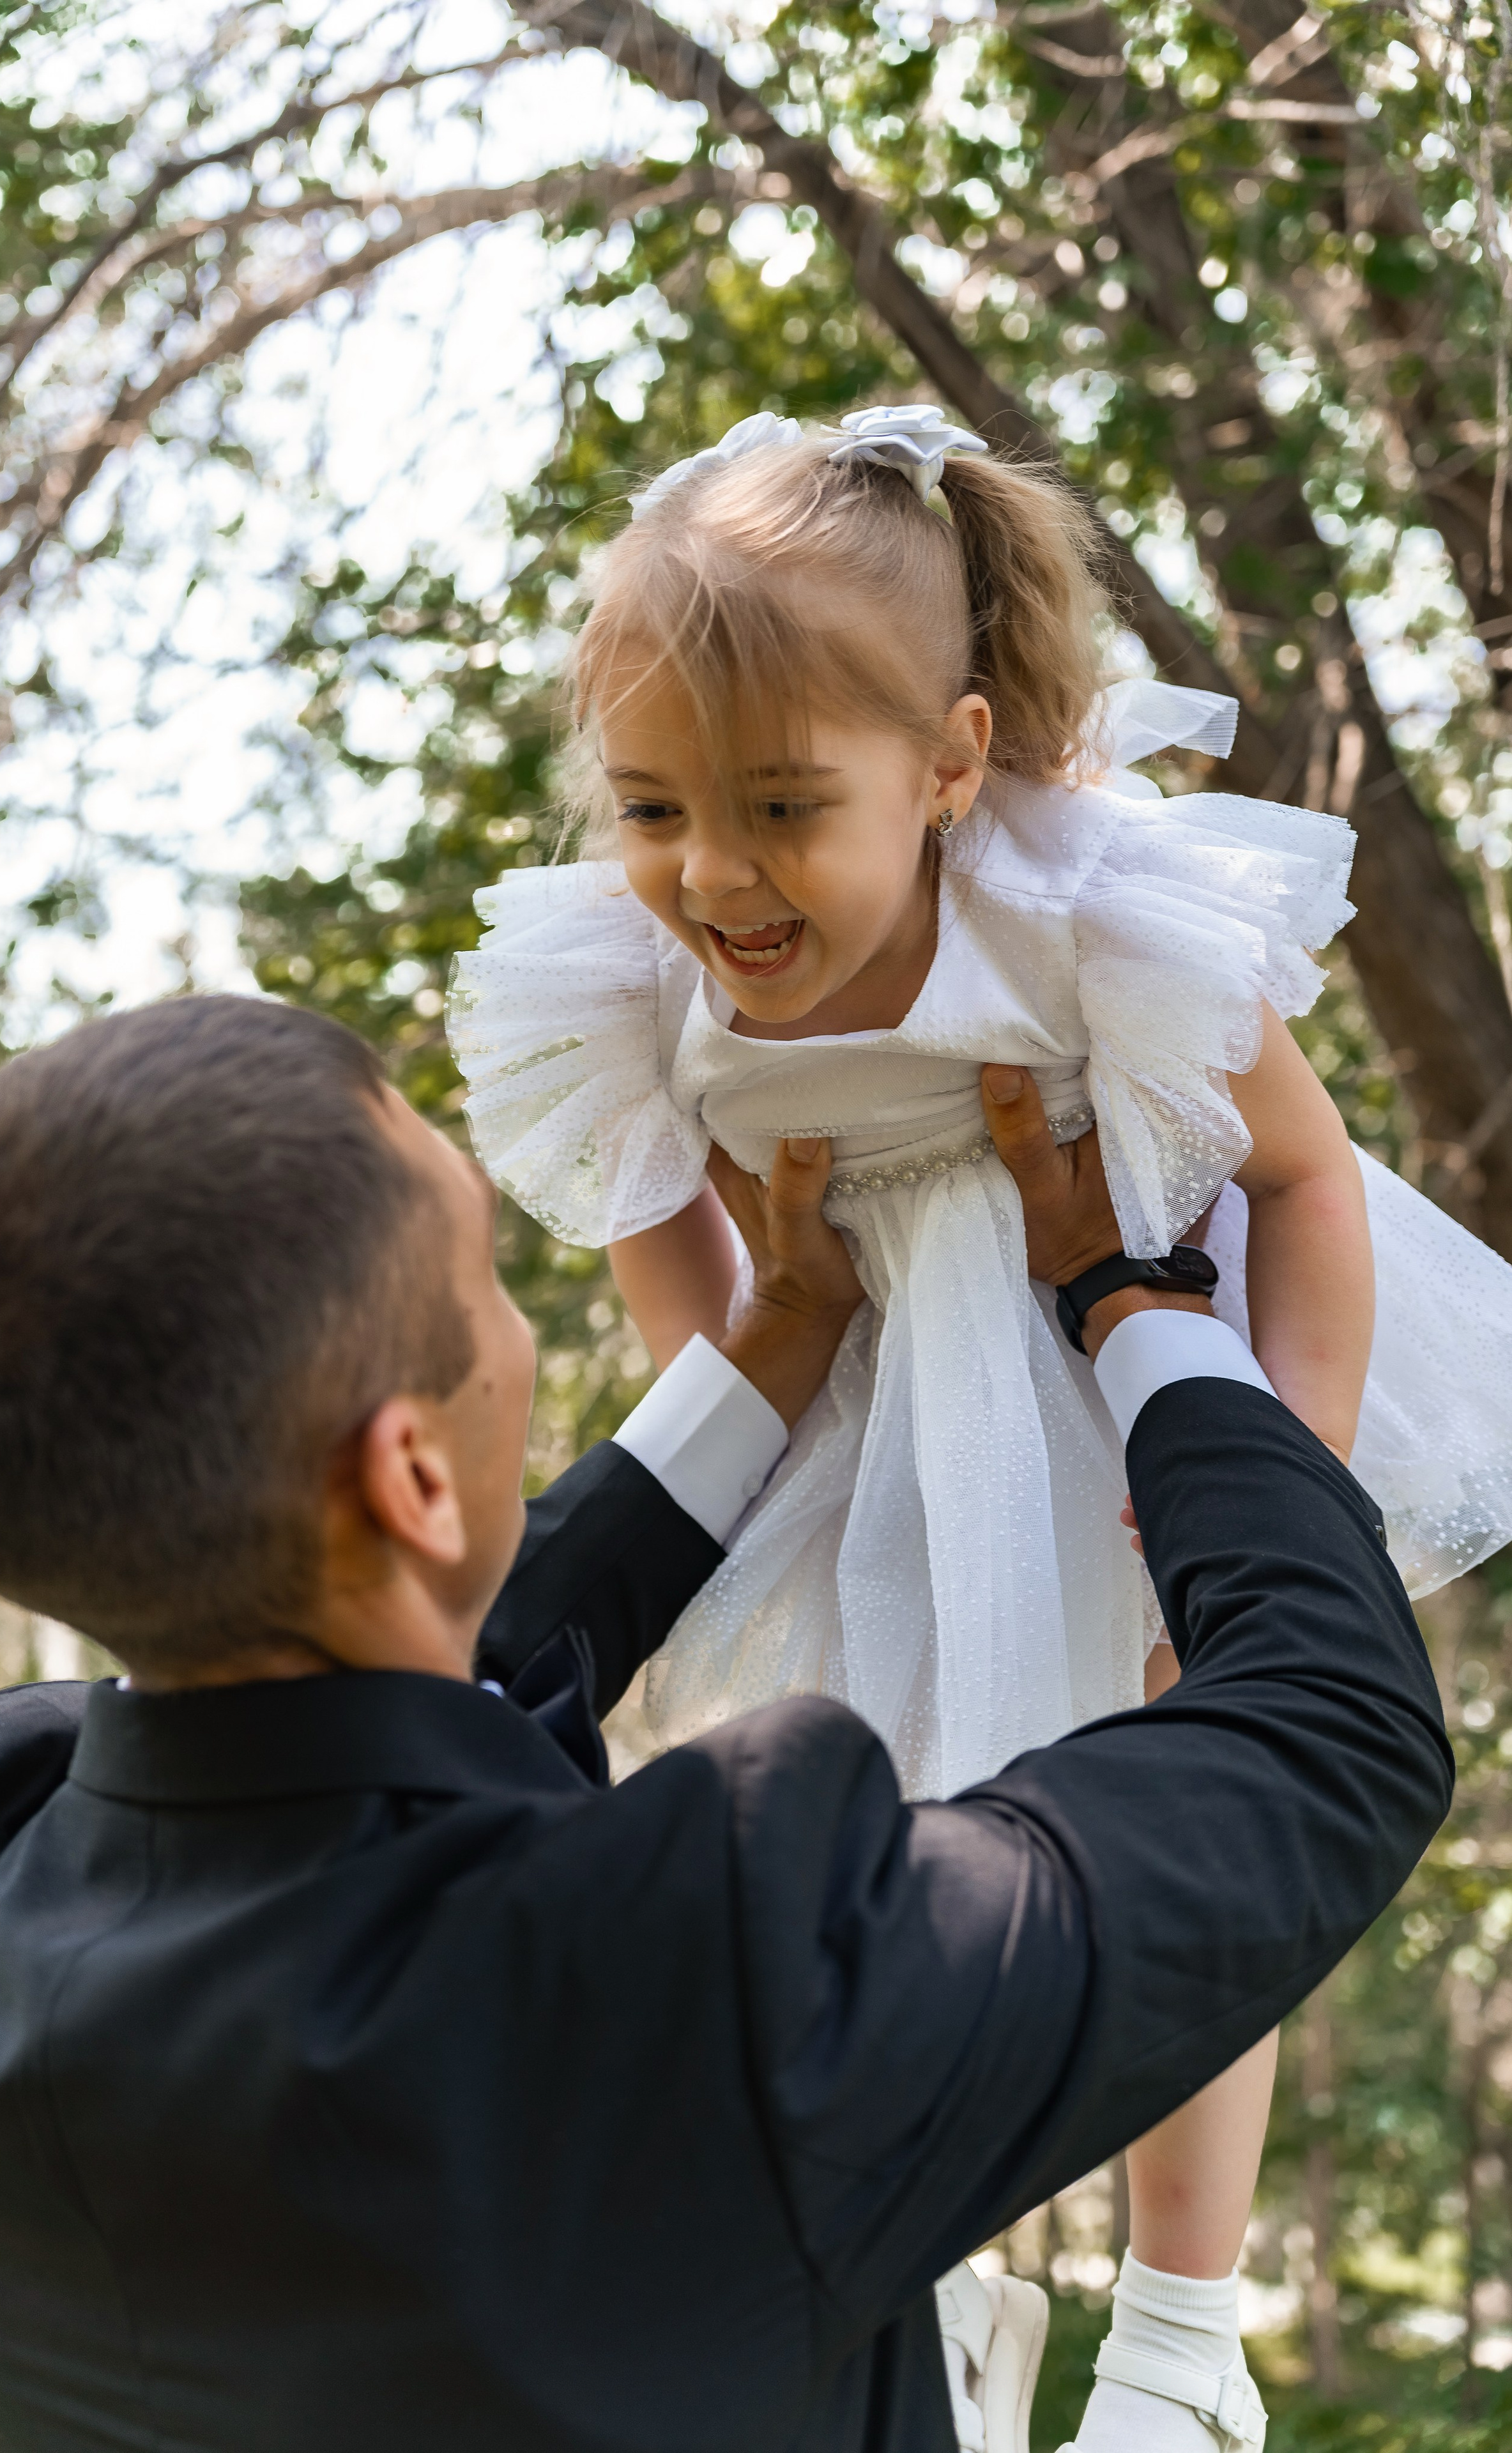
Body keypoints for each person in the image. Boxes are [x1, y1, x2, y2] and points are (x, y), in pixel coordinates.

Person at [0, 992, 1451, 2453]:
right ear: (412, 1475)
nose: (510, 1331)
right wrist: (1136, 1306)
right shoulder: (711, 1979)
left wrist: (771, 1341)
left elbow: (396, 1683)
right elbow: (1331, 1722)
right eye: (482, 1279)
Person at [445, 402, 1512, 2446]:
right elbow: (703, 1301)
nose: (715, 875)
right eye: (658, 809)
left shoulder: (1083, 908)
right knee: (871, 1828)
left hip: (1133, 1390)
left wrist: (1283, 1492)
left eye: (778, 807)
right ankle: (934, 2293)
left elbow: (1305, 1183)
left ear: (945, 765)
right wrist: (732, 1510)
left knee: (1178, 1823)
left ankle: (1184, 2338)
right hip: (858, 1421)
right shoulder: (630, 982)